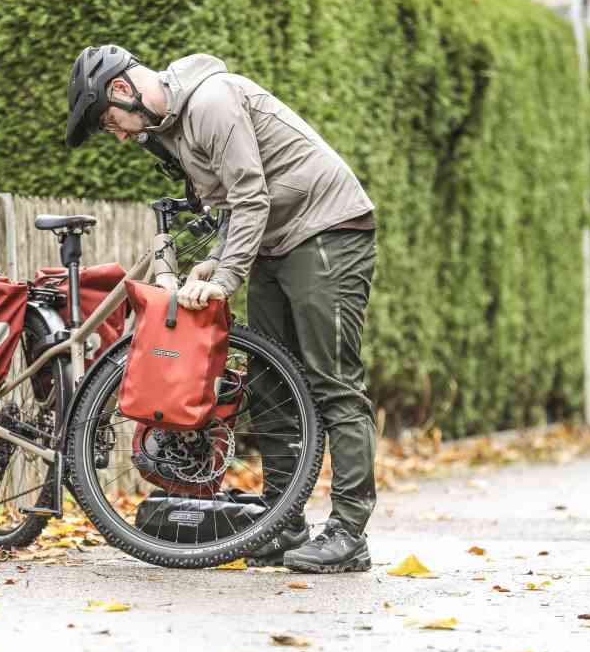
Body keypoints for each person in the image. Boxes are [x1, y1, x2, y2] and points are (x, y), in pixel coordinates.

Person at [65, 45, 378, 574]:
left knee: (332, 381)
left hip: (328, 230)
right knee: (270, 382)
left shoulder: (212, 101)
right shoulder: (175, 130)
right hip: (280, 242)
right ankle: (284, 526)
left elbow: (251, 195)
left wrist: (227, 277)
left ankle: (349, 534)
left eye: (109, 121)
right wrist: (214, 263)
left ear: (122, 90)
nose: (117, 134)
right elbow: (232, 210)